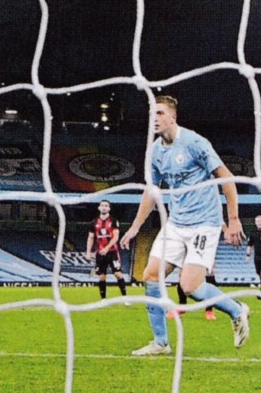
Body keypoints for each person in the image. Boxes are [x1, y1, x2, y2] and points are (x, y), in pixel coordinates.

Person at [119, 95, 249, 356]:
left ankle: (236, 310)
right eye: (151, 114)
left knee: (190, 287)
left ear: (172, 117)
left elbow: (227, 179)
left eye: (159, 113)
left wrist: (233, 219)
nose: (154, 119)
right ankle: (161, 343)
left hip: (204, 223)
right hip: (176, 223)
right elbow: (152, 191)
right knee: (151, 275)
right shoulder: (155, 151)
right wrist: (135, 227)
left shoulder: (195, 143)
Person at [84, 200, 129, 303]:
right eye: (102, 205)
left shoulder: (113, 221)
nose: (104, 207)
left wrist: (107, 248)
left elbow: (116, 237)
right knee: (102, 276)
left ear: (109, 208)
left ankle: (125, 298)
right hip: (100, 253)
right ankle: (103, 299)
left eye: (106, 206)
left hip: (112, 252)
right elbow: (90, 238)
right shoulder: (94, 223)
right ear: (99, 208)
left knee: (118, 274)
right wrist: (88, 252)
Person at [245, 215, 261, 294]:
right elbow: (249, 245)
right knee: (258, 272)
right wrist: (248, 255)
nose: (259, 223)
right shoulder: (253, 233)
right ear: (255, 223)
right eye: (257, 221)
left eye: (260, 221)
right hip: (257, 257)